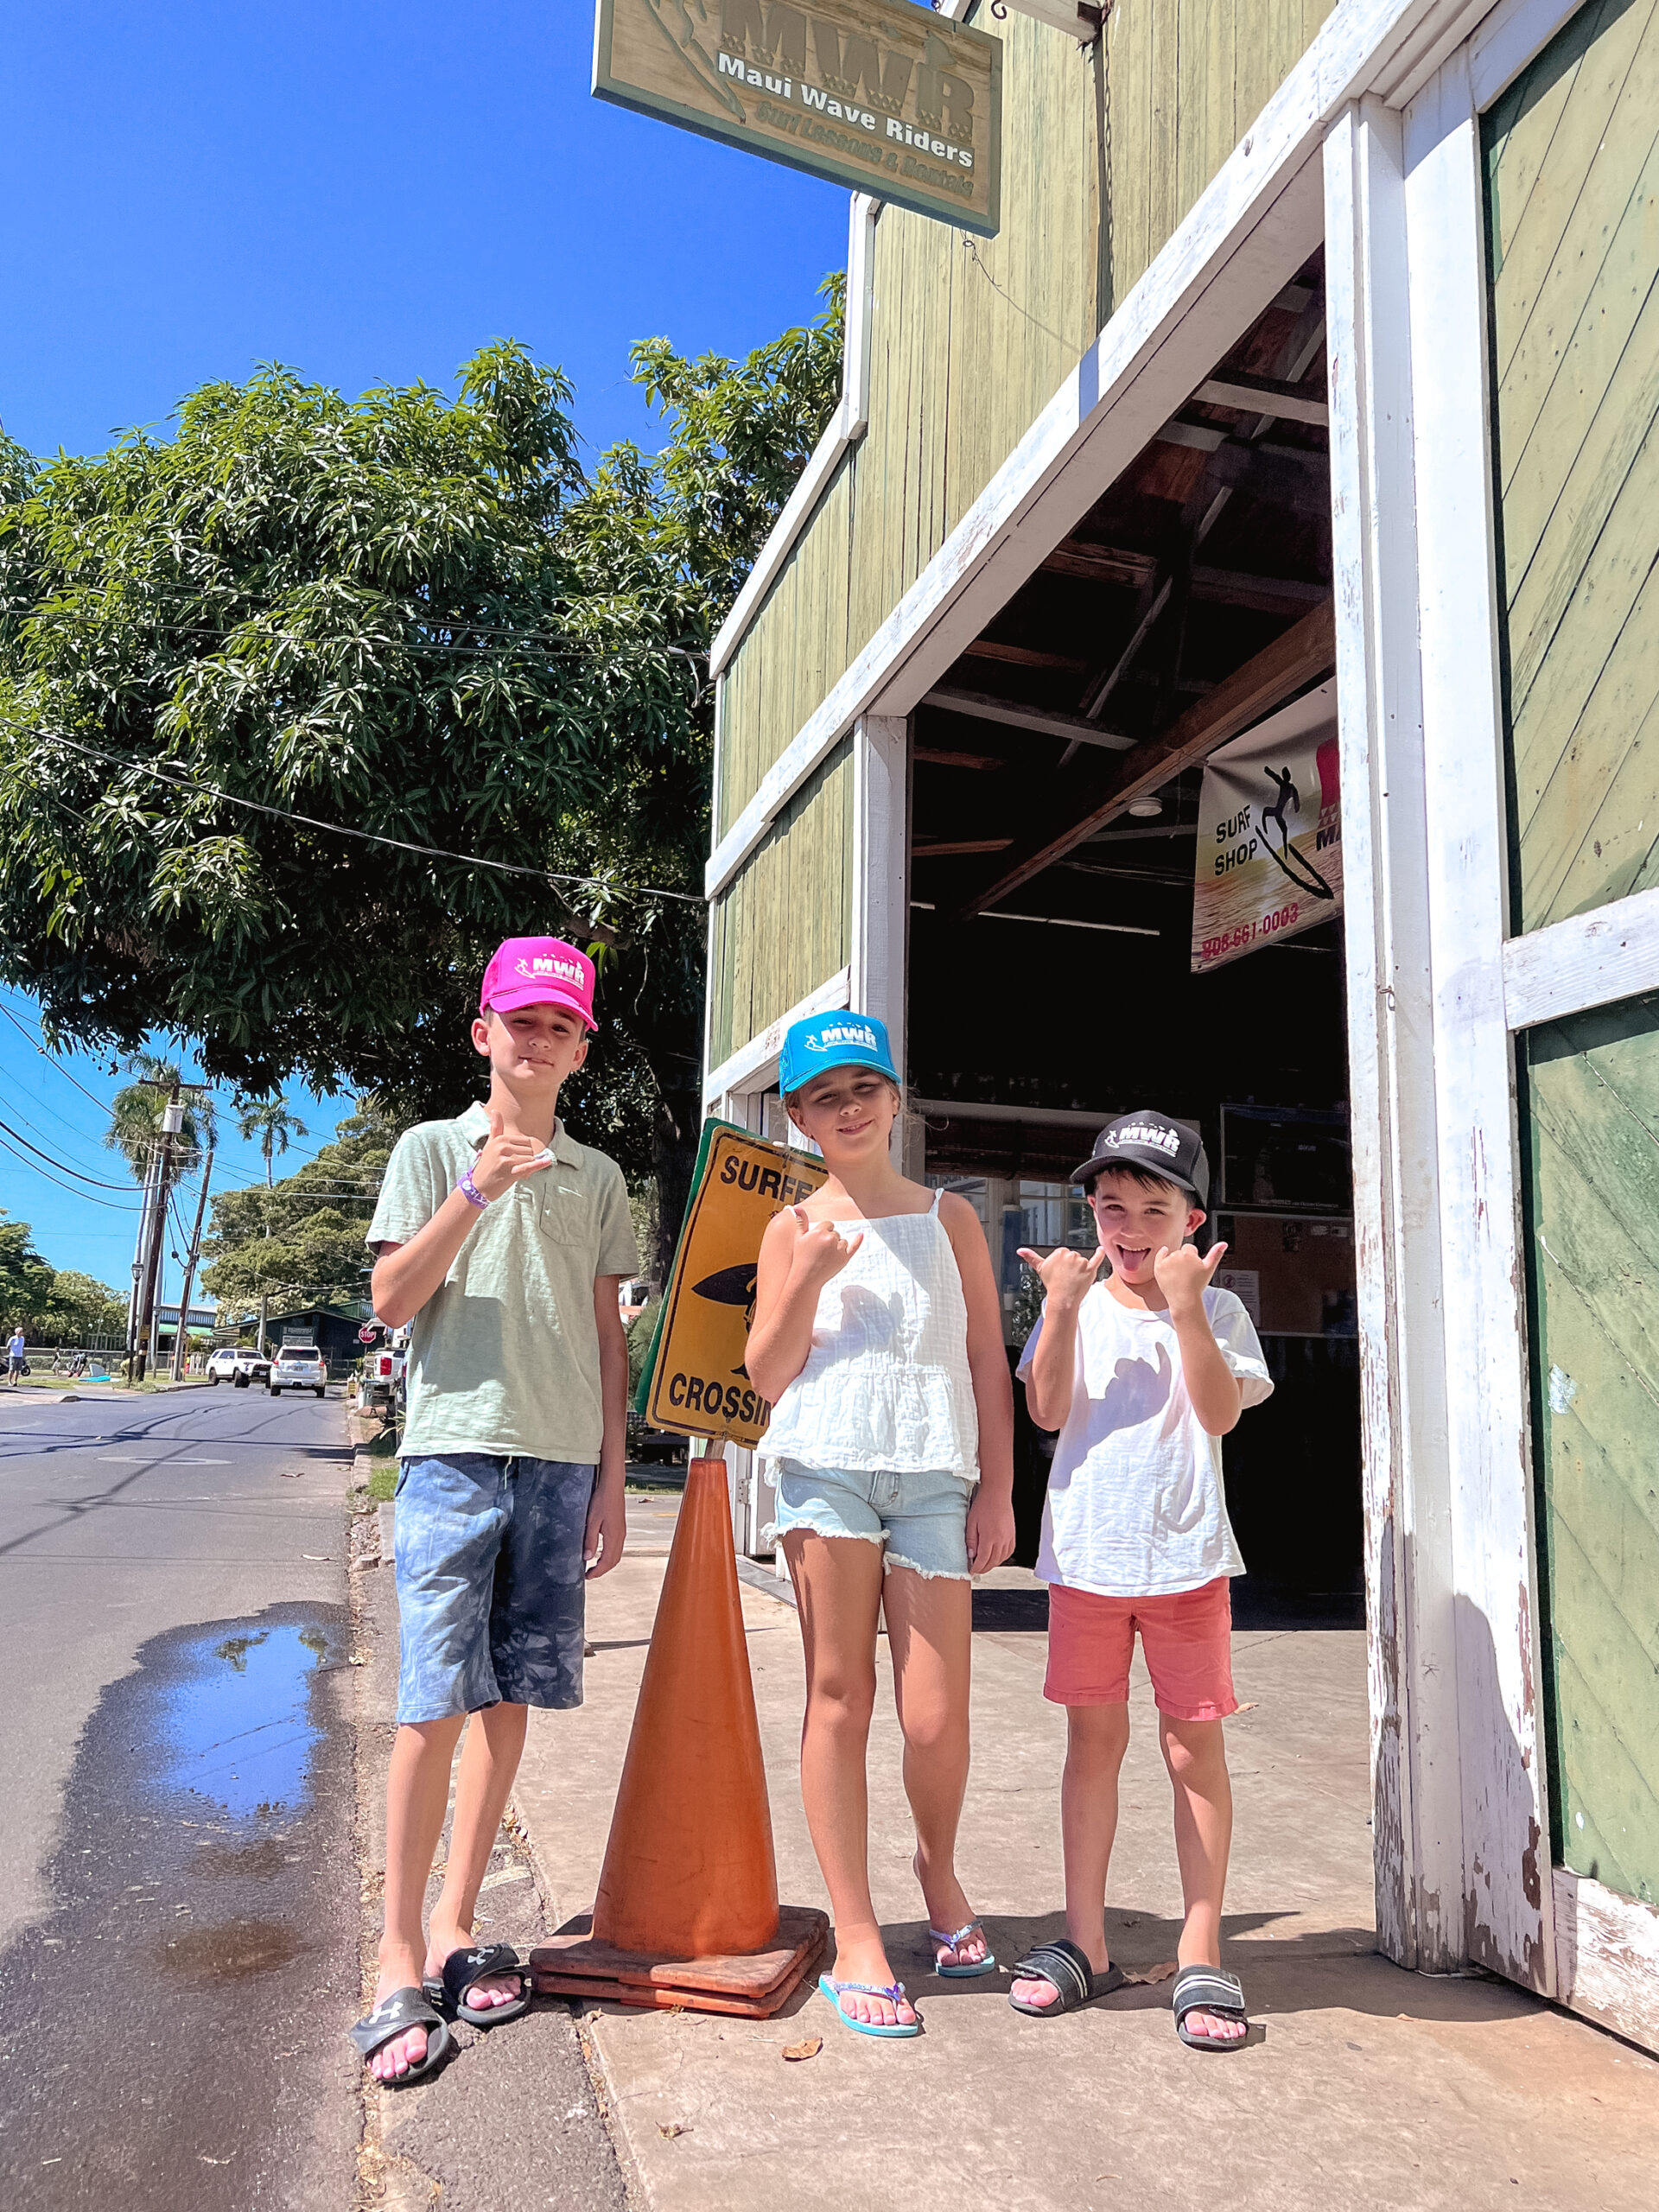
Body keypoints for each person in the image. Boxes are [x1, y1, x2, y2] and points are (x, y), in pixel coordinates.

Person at [350, 937, 639, 2088]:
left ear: (580, 1049)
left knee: (510, 1695)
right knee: (431, 1701)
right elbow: (386, 1299)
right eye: (520, 1020)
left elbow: (607, 1336)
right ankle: (396, 1952)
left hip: (562, 1460)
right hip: (454, 1451)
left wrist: (615, 1475)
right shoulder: (432, 1150)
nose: (539, 1039)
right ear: (484, 1033)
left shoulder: (601, 1177)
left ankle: (462, 1927)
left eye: (560, 1026)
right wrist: (477, 1189)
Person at [746, 1012, 1016, 2040]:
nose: (848, 1108)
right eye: (825, 1095)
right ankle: (856, 1931)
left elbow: (988, 1358)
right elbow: (765, 1376)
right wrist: (810, 1276)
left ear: (897, 1099)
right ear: (800, 1117)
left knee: (937, 1714)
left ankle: (937, 1872)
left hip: (936, 1477)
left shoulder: (951, 1217)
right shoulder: (790, 1229)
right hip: (827, 1474)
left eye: (865, 1086)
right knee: (838, 1693)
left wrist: (996, 1489)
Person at [1011, 1112, 1272, 2052]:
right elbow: (1043, 1406)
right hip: (1085, 1560)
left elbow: (1217, 1412)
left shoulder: (1223, 1310)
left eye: (1153, 1208)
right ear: (1090, 1208)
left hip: (1187, 1560)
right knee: (1092, 1744)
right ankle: (1084, 1939)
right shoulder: (1074, 1300)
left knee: (1191, 1749)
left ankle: (1200, 1943)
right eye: (1111, 1204)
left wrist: (1189, 1307)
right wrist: (1063, 1307)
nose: (1129, 1227)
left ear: (1193, 1219)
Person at [6, 1325, 25, 1389]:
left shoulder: (22, 1338)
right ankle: (9, 1382)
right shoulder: (12, 1338)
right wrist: (10, 1352)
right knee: (11, 1369)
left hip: (20, 1356)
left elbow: (22, 1347)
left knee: (18, 1370)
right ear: (17, 1332)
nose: (22, 1333)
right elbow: (8, 1346)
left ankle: (15, 1381)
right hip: (13, 1356)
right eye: (20, 1332)